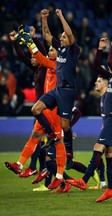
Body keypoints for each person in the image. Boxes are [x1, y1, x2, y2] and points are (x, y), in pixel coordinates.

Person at [67, 36, 112, 203]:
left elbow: (109, 63)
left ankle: (84, 180)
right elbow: (96, 65)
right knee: (109, 154)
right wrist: (100, 48)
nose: (111, 66)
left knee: (97, 147)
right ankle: (110, 189)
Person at [4, 27, 66, 190]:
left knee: (58, 141)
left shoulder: (55, 65)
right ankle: (20, 164)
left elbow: (40, 54)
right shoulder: (44, 67)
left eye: (52, 50)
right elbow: (37, 56)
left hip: (55, 109)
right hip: (43, 108)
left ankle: (59, 175)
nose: (49, 52)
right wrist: (23, 41)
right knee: (35, 136)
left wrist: (30, 40)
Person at [31, 9, 80, 172]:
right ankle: (52, 134)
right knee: (36, 109)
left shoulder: (74, 49)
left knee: (65, 125)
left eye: (64, 37)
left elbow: (68, 32)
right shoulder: (59, 47)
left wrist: (60, 16)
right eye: (61, 37)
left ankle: (70, 155)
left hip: (67, 91)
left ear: (70, 38)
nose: (62, 38)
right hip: (57, 90)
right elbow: (46, 35)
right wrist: (44, 18)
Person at [7, 26, 48, 181]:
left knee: (37, 137)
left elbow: (41, 52)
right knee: (39, 138)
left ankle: (33, 167)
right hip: (40, 108)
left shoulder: (45, 68)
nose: (31, 58)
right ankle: (42, 168)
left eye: (34, 56)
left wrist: (34, 38)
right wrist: (15, 42)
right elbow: (22, 57)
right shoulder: (36, 69)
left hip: (45, 108)